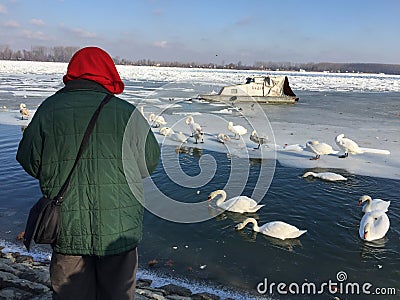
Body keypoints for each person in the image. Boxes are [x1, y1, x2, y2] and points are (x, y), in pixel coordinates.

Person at [16, 47, 160, 299]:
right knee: (117, 294)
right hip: (119, 226)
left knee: (71, 294)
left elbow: (28, 160)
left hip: (67, 226)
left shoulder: (49, 110)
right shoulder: (127, 113)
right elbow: (149, 163)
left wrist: (55, 171)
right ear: (109, 73)